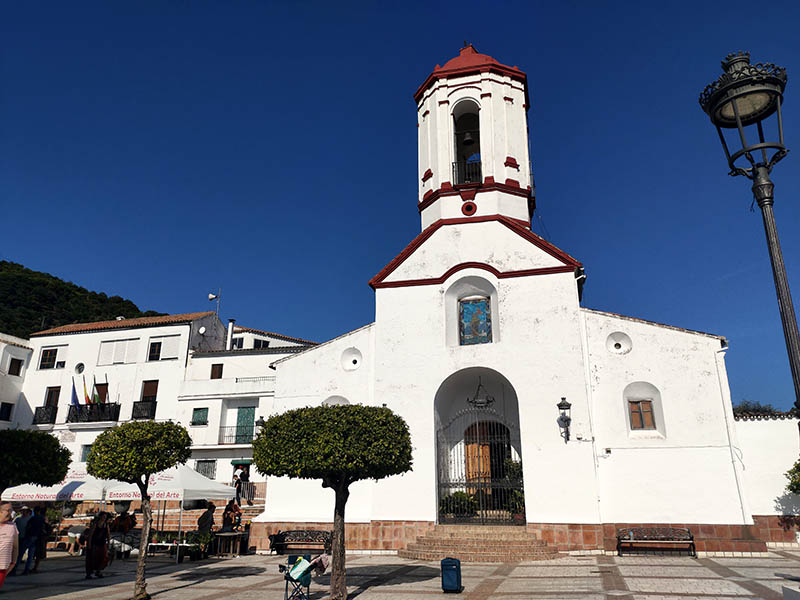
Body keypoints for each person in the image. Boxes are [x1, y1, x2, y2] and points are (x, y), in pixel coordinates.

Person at [14, 506, 45, 575]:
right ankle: (25, 570)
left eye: (25, 511)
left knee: (21, 554)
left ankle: (15, 570)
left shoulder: (31, 519)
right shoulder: (18, 519)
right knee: (28, 555)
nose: (24, 512)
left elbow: (28, 528)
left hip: (28, 537)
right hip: (28, 537)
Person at [84, 512, 110, 580]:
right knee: (92, 558)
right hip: (94, 543)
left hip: (102, 543)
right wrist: (89, 544)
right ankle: (89, 573)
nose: (104, 518)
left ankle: (98, 571)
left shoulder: (106, 525)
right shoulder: (95, 524)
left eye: (105, 517)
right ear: (100, 517)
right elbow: (90, 535)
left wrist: (109, 543)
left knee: (103, 558)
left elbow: (108, 534)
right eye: (103, 516)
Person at [0, 502, 19, 591]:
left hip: (3, 568)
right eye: (8, 510)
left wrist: (13, 563)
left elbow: (15, 547)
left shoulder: (12, 527)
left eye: (11, 510)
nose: (10, 513)